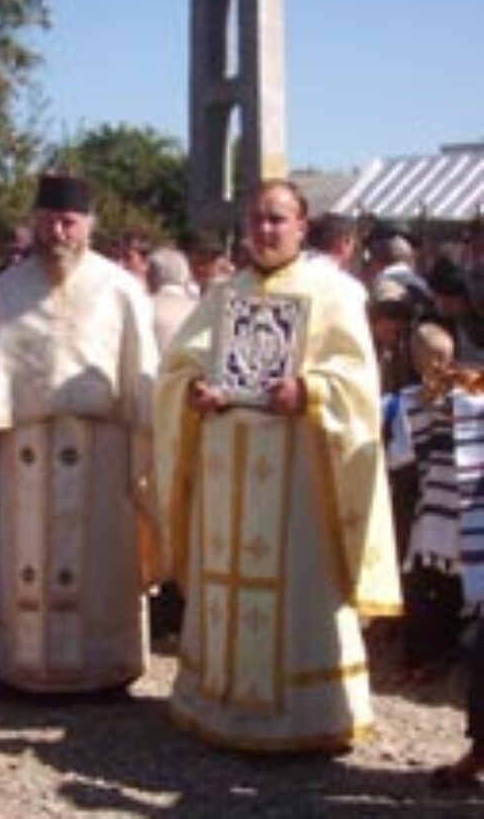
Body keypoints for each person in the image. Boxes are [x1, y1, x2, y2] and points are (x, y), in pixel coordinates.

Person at [154, 179, 402, 753]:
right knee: (229, 584)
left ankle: (305, 713)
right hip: (227, 474)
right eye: (257, 220)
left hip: (298, 478)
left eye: (277, 219)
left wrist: (310, 391)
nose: (265, 230)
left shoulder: (334, 291)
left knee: (296, 591)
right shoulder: (223, 292)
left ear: (302, 224)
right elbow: (180, 366)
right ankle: (218, 699)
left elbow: (358, 382)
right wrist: (195, 391)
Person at [0, 173, 161, 695]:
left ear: (89, 225)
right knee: (24, 555)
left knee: (100, 562)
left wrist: (147, 452)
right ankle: (23, 663)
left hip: (102, 451)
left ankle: (105, 666)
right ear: (34, 222)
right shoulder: (7, 290)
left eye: (68, 221)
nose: (58, 231)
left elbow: (143, 373)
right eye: (48, 220)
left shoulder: (121, 288)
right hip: (23, 450)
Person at [385, 322, 478, 684]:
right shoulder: (473, 393)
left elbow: (399, 458)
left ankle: (419, 657)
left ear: (416, 356)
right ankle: (450, 648)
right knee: (455, 576)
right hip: (464, 502)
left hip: (421, 501)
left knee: (419, 580)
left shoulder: (407, 401)